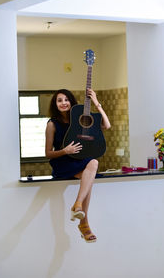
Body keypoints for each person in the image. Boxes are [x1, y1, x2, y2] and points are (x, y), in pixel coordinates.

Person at [45, 88, 111, 243]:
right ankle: (83, 222)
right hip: (63, 163)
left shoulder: (79, 118)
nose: (63, 103)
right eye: (59, 100)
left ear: (71, 101)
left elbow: (106, 125)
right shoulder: (52, 124)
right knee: (91, 173)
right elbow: (48, 153)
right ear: (55, 104)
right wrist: (64, 150)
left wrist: (96, 102)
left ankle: (78, 205)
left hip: (78, 160)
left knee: (91, 169)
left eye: (66, 99)